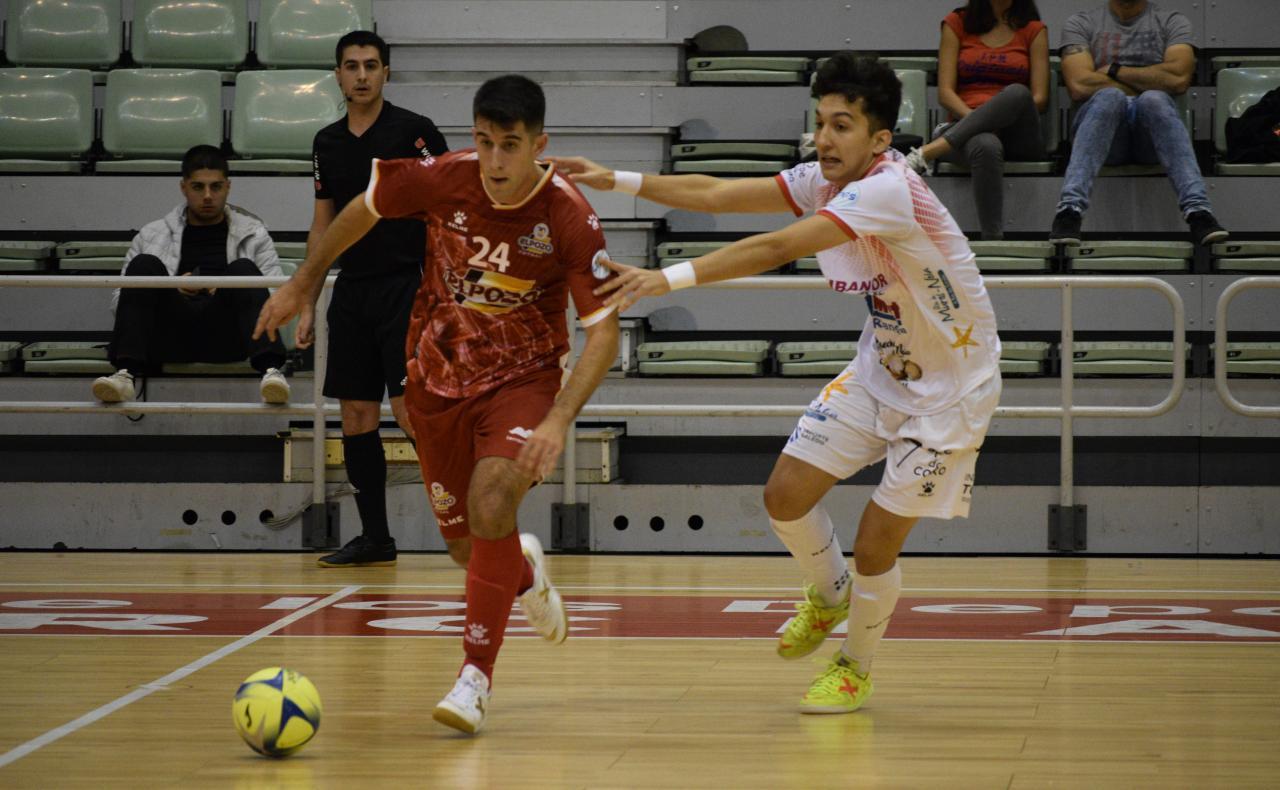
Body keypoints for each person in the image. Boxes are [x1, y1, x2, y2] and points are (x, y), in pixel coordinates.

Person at [552, 54, 1002, 714]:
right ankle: (828, 591)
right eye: (820, 122)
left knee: (877, 543)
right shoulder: (827, 176)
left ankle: (856, 666)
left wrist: (664, 279)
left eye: (842, 125)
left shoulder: (886, 190)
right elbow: (716, 194)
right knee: (784, 496)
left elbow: (774, 248)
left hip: (951, 393)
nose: (825, 138)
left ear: (881, 139)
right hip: (884, 370)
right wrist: (614, 178)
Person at [255, 74, 622, 734]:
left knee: (490, 502)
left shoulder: (568, 214)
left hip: (523, 383)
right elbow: (364, 205)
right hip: (436, 384)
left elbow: (604, 330)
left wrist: (561, 416)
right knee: (468, 547)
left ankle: (473, 679)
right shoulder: (446, 174)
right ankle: (522, 571)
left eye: (510, 146)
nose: (495, 162)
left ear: (540, 144)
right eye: (484, 142)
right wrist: (304, 282)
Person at [305, 30, 450, 568]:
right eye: (351, 66)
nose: (361, 75)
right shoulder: (326, 142)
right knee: (356, 413)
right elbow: (321, 225)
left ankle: (468, 528)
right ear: (337, 75)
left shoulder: (416, 133)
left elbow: (449, 209)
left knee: (412, 413)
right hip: (352, 291)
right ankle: (375, 538)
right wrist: (307, 299)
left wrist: (444, 290)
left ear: (387, 72)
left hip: (408, 289)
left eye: (371, 65)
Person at [93, 145, 289, 404]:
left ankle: (271, 373)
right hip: (169, 335)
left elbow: (277, 298)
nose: (208, 196)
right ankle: (125, 374)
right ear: (183, 187)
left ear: (228, 187)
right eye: (198, 187)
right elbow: (121, 303)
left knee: (243, 270)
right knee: (144, 265)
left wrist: (231, 289)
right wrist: (170, 288)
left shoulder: (254, 233)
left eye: (216, 187)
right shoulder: (151, 234)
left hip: (229, 336)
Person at [1050, 0, 1228, 246]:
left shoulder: (1172, 21)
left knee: (1153, 99)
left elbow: (1178, 79)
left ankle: (1199, 213)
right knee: (1112, 97)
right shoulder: (1081, 23)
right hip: (1105, 135)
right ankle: (1069, 212)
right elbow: (1080, 85)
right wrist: (1150, 79)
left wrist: (1114, 70)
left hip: (1152, 136)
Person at [903, 0, 1049, 240]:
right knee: (985, 144)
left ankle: (927, 153)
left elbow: (1040, 98)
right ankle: (993, 240)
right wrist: (981, 122)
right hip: (968, 130)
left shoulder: (1033, 29)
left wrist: (995, 120)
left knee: (1017, 92)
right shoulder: (957, 23)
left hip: (1018, 133)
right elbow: (946, 94)